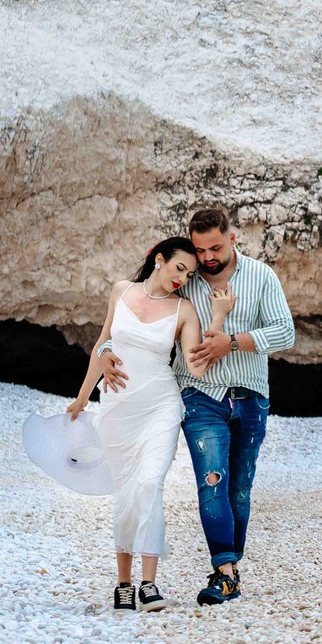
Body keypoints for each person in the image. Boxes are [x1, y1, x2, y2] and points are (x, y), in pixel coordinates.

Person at [97, 206, 296, 607]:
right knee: (213, 483)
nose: (206, 257)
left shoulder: (261, 276)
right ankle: (223, 573)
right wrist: (104, 350)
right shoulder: (184, 281)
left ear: (232, 239)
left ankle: (231, 571)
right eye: (201, 249)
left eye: (215, 247)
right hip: (199, 394)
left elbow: (285, 332)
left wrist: (233, 341)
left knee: (240, 489)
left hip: (251, 395)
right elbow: (135, 311)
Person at [67, 237, 218, 612]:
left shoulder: (185, 311)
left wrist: (218, 318)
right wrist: (83, 397)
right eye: (178, 268)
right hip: (117, 407)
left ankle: (149, 585)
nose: (183, 278)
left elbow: (196, 366)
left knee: (149, 483)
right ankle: (124, 583)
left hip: (161, 406)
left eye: (190, 273)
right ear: (159, 260)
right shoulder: (122, 291)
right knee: (126, 492)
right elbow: (103, 342)